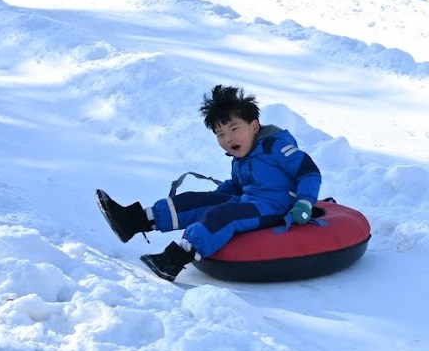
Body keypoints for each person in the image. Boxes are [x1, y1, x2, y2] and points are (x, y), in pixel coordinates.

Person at [96, 85, 322, 282]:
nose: (228, 139)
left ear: (254, 126)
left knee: (222, 215)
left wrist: (304, 203)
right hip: (250, 202)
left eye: (234, 129)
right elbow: (237, 185)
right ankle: (134, 220)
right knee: (195, 200)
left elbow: (309, 172)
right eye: (220, 134)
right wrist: (215, 196)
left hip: (275, 208)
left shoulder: (276, 147)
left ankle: (175, 259)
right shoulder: (242, 159)